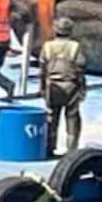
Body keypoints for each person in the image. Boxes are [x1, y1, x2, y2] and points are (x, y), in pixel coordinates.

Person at [39, 15, 86, 155]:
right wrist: (82, 88)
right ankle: (71, 149)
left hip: (52, 86)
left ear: (55, 30)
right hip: (71, 86)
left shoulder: (47, 47)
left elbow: (42, 70)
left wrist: (42, 88)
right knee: (72, 117)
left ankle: (49, 147)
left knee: (52, 117)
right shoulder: (75, 47)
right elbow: (80, 69)